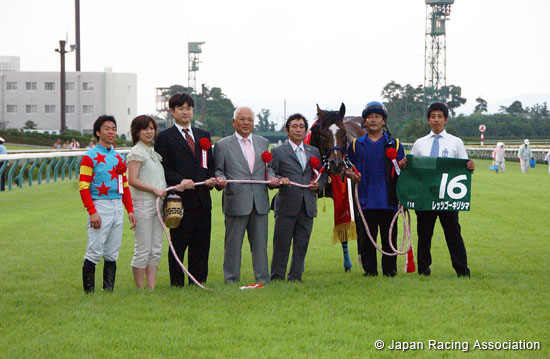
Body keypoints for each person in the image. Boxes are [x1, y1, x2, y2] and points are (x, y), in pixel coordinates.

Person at [154, 93, 216, 287]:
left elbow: (209, 164)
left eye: (188, 108)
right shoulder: (164, 137)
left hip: (202, 200)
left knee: (201, 245)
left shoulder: (203, 136)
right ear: (172, 111)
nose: (185, 112)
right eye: (181, 108)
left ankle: (198, 281)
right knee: (179, 244)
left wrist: (211, 179)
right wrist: (180, 180)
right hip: (179, 200)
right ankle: (177, 284)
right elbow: (163, 167)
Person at [214, 106, 280, 284]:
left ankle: (262, 280)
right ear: (234, 122)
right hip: (236, 201)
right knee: (233, 246)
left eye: (249, 119)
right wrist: (220, 179)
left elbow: (269, 169)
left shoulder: (263, 142)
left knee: (260, 245)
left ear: (254, 123)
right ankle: (231, 279)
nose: (246, 123)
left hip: (259, 201)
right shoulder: (222, 145)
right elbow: (219, 170)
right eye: (242, 119)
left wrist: (273, 178)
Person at [409, 102, 475, 277]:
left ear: (445, 120)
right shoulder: (419, 144)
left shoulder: (456, 142)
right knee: (424, 235)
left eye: (439, 117)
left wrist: (469, 166)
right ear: (428, 120)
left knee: (453, 234)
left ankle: (462, 270)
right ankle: (423, 269)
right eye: (433, 117)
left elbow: (463, 168)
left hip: (447, 198)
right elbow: (413, 169)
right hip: (425, 197)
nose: (436, 120)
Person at [127, 115, 193, 289]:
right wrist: (153, 189)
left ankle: (151, 287)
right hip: (143, 204)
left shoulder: (154, 154)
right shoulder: (136, 152)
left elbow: (160, 181)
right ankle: (139, 288)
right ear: (137, 132)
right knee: (143, 248)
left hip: (159, 204)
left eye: (152, 128)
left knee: (156, 248)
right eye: (145, 129)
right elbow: (132, 180)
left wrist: (173, 188)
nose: (149, 132)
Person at [345, 102, 405, 277]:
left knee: (389, 239)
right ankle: (369, 272)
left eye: (377, 117)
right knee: (367, 241)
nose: (373, 120)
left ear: (383, 121)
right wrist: (351, 175)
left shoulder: (395, 144)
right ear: (364, 121)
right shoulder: (356, 145)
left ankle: (390, 271)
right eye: (370, 117)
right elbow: (347, 168)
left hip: (389, 200)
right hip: (365, 200)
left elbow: (402, 171)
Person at [78, 115, 136, 293]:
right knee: (95, 251)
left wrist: (130, 210)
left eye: (114, 128)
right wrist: (92, 211)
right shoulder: (90, 157)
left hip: (117, 205)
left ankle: (108, 290)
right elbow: (83, 186)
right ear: (98, 132)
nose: (111, 132)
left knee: (112, 252)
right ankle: (89, 292)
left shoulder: (119, 158)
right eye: (107, 128)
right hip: (100, 205)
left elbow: (124, 186)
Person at [270, 114, 327, 282]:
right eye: (294, 126)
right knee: (281, 244)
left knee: (302, 245)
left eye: (301, 126)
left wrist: (319, 185)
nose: (298, 129)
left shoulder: (314, 151)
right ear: (287, 130)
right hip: (286, 204)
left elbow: (323, 175)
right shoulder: (278, 151)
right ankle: (277, 277)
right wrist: (279, 180)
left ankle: (296, 277)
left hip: (308, 205)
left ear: (305, 130)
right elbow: (271, 172)